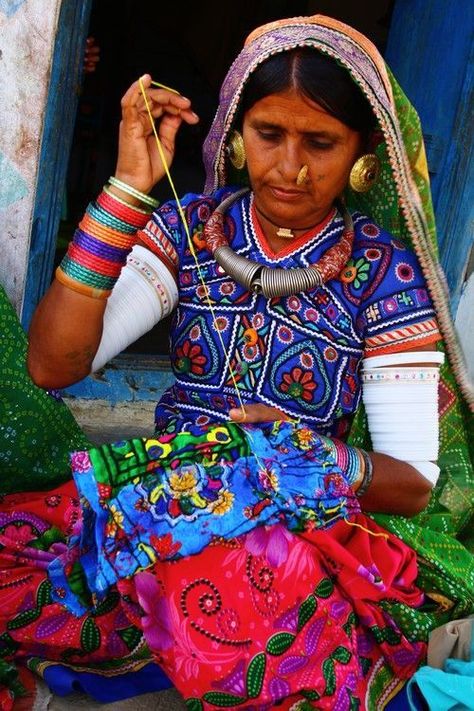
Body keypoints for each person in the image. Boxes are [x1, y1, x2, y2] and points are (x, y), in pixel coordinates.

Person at [1, 14, 473, 711]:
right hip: (160, 504)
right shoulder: (193, 229)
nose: (290, 166)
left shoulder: (381, 273)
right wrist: (130, 188)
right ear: (233, 131)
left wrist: (311, 456)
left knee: (221, 589)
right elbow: (52, 363)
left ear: (363, 151)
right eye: (269, 134)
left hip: (289, 521)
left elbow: (409, 486)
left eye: (321, 142)